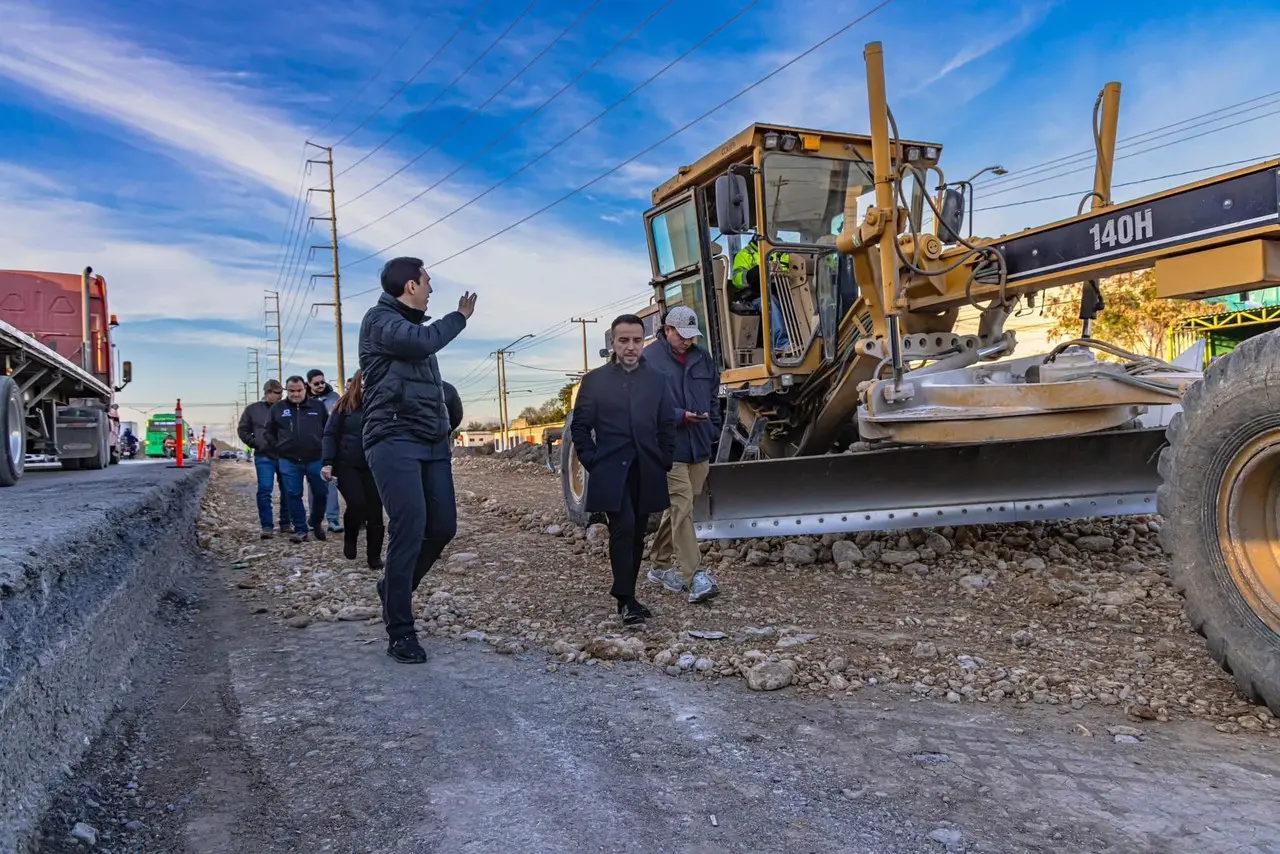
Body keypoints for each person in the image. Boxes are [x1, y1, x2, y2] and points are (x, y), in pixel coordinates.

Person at [360, 256, 477, 664]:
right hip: (392, 439)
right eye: (426, 282)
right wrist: (459, 317)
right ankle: (401, 631)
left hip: (431, 442)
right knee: (410, 527)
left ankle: (393, 585)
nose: (430, 289)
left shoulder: (409, 327)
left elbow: (432, 386)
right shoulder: (380, 320)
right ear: (410, 286)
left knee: (443, 526)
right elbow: (423, 342)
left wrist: (447, 422)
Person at [568, 314, 677, 628]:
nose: (630, 347)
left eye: (636, 340)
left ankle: (629, 596)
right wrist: (592, 461)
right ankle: (625, 599)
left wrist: (664, 459)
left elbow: (666, 424)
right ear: (613, 343)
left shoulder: (657, 380)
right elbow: (580, 426)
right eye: (623, 340)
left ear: (644, 342)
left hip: (647, 467)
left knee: (638, 532)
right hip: (611, 470)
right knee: (624, 528)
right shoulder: (595, 380)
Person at [644, 306, 723, 603]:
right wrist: (680, 416)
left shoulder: (703, 358)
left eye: (693, 336)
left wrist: (713, 429)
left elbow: (713, 397)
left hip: (699, 445)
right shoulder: (650, 360)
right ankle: (695, 577)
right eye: (683, 336)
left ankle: (659, 565)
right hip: (668, 446)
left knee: (681, 506)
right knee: (682, 505)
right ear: (668, 330)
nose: (688, 341)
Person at [321, 370, 385, 570]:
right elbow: (330, 434)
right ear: (357, 384)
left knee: (375, 511)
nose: (367, 388)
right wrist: (328, 462)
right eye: (364, 384)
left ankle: (374, 557)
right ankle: (350, 537)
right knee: (357, 504)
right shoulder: (343, 406)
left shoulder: (383, 407)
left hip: (375, 466)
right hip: (347, 464)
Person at [267, 375, 330, 544]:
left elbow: (328, 430)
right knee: (293, 494)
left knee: (321, 493)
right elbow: (268, 432)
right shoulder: (277, 409)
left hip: (315, 458)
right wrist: (279, 447)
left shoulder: (318, 407)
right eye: (292, 391)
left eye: (299, 390)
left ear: (306, 389)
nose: (295, 394)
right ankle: (301, 529)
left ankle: (315, 522)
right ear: (287, 391)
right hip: (289, 460)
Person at [238, 380, 292, 537]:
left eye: (281, 393)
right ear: (267, 392)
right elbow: (243, 430)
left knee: (288, 490)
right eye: (276, 393)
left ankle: (286, 523)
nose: (280, 396)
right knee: (265, 490)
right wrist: (256, 443)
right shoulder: (252, 410)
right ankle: (267, 526)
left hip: (285, 456)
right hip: (264, 456)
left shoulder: (286, 408)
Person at [731, 236, 792, 351]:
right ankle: (782, 344)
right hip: (755, 295)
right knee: (769, 302)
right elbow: (736, 280)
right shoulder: (745, 254)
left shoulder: (783, 253)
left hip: (781, 292)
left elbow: (792, 271)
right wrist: (754, 274)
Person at [307, 369, 344, 533]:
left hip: (330, 446)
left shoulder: (335, 398)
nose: (321, 385)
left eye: (322, 382)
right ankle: (315, 520)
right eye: (316, 383)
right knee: (314, 486)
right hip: (311, 448)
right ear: (309, 384)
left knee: (331, 483)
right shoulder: (305, 400)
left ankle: (333, 520)